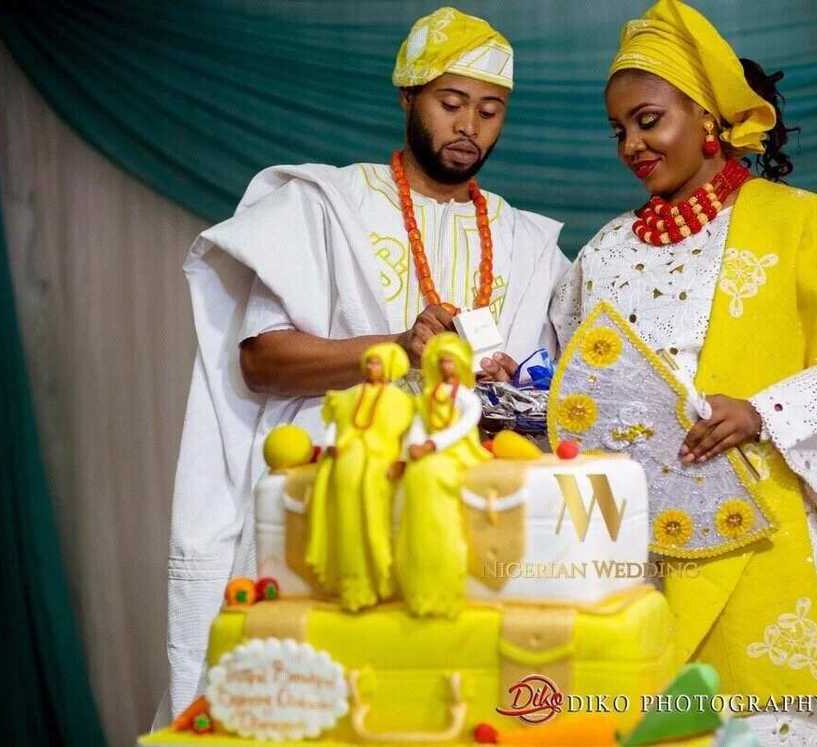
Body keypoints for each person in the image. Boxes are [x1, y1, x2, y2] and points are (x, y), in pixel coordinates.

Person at [549, 2, 817, 744]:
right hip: (633, 546)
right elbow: (570, 376)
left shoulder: (800, 224)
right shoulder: (601, 253)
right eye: (619, 130)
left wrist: (764, 411)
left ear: (707, 114)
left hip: (760, 525)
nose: (632, 144)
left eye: (648, 120)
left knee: (767, 723)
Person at [163, 6, 569, 720]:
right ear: (408, 97)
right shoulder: (325, 206)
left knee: (450, 711)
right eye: (450, 103)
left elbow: (558, 386)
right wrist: (395, 347)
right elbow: (262, 361)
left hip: (470, 522)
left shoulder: (526, 239)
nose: (469, 126)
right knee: (318, 712)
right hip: (329, 503)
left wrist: (514, 378)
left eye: (490, 109)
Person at [305, 343, 414, 611]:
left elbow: (409, 433)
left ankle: (380, 580)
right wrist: (332, 443)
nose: (371, 366)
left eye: (377, 362)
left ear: (390, 367)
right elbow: (334, 424)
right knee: (347, 520)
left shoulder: (400, 400)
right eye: (369, 361)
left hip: (380, 464)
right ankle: (349, 581)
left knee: (376, 524)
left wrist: (401, 460)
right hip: (346, 460)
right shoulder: (349, 395)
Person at [395, 333, 491, 617]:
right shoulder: (429, 395)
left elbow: (464, 427)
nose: (446, 368)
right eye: (441, 363)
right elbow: (418, 423)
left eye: (451, 362)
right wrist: (413, 445)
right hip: (427, 453)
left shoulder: (465, 398)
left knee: (435, 472)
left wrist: (434, 444)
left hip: (456, 452)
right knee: (418, 474)